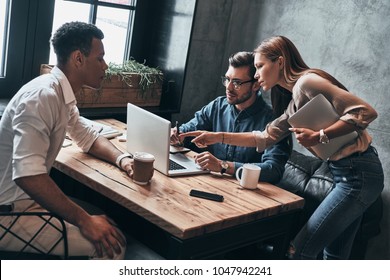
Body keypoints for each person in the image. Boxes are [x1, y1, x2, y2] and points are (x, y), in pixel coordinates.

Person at [180, 36, 384, 259]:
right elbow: (264, 137)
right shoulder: (293, 102)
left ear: (279, 62)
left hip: (358, 175)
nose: (256, 74)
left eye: (259, 66)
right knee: (334, 256)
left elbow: (365, 112)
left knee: (298, 250)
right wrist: (217, 137)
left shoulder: (307, 82)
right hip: (346, 174)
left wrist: (320, 135)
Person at [0, 22, 133, 259]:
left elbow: (87, 136)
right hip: (8, 213)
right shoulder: (43, 97)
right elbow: (28, 175)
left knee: (104, 217)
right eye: (100, 58)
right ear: (78, 59)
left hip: (23, 202)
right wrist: (84, 220)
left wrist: (123, 159)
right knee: (113, 246)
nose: (105, 65)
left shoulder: (60, 93)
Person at [171, 51, 291, 183]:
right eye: (227, 79)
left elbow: (273, 170)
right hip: (212, 182)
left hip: (249, 194)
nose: (228, 87)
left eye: (237, 83)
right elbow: (189, 130)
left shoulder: (274, 122)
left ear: (256, 85)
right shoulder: (218, 106)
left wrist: (223, 166)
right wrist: (177, 135)